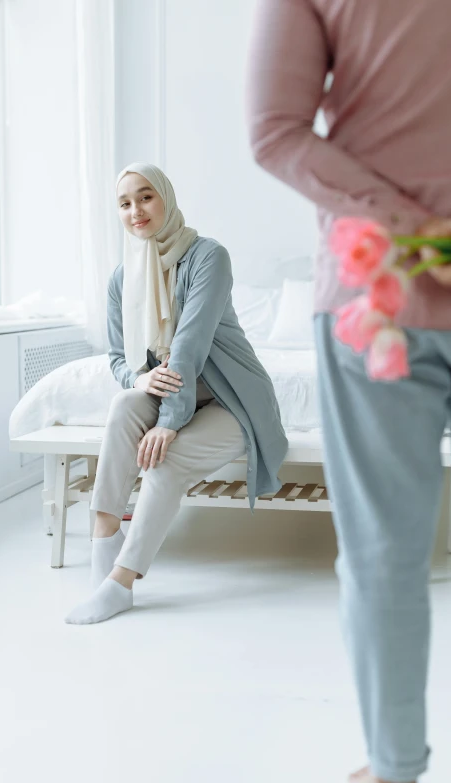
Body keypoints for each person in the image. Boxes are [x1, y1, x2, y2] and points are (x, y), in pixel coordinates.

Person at [247, 1, 451, 782]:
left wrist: (418, 233)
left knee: (384, 555)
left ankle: (393, 766)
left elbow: (273, 131)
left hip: (377, 296)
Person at [65, 162, 288, 625]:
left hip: (233, 399)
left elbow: (189, 343)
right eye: (124, 203)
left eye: (145, 196)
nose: (135, 211)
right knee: (124, 404)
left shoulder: (209, 256)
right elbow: (116, 358)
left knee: (167, 458)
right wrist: (138, 381)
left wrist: (169, 421)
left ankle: (121, 584)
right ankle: (103, 549)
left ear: (166, 196)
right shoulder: (123, 278)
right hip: (170, 389)